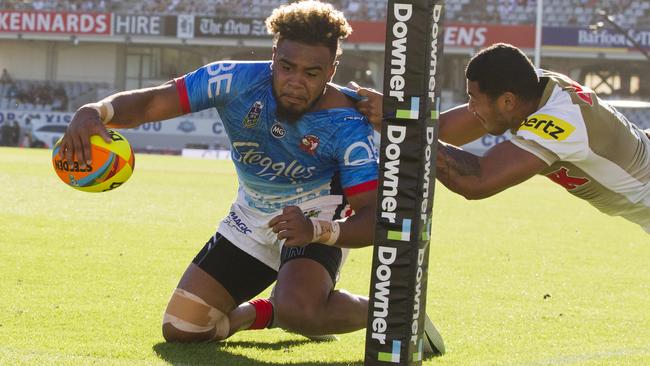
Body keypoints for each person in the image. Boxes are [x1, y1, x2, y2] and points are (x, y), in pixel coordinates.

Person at [57, 0, 444, 355]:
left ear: (331, 70)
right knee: (183, 329)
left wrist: (316, 231)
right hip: (250, 217)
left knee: (300, 310)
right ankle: (261, 313)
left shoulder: (347, 124)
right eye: (287, 67)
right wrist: (96, 110)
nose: (296, 82)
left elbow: (374, 217)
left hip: (317, 216)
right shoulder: (232, 80)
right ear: (274, 55)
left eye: (312, 73)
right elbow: (152, 102)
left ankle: (398, 312)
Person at [353, 43, 650, 233]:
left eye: (472, 99)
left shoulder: (560, 122)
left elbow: (476, 180)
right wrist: (394, 112)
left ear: (507, 101)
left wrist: (403, 130)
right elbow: (443, 128)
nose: (469, 108)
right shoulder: (531, 87)